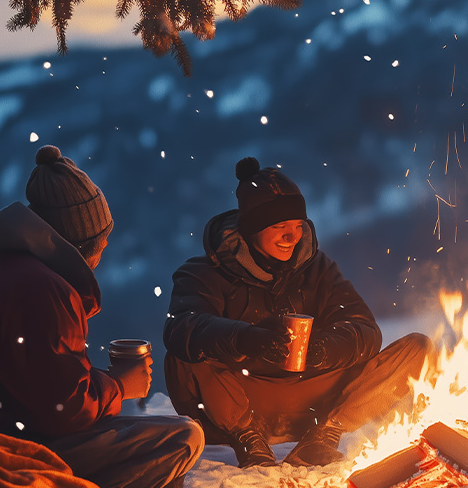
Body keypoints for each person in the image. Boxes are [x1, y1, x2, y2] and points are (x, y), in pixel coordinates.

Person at [0, 145, 203, 488]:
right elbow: (64, 411)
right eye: (104, 240)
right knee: (184, 436)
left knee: (153, 432)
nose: (106, 249)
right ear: (86, 242)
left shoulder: (13, 272)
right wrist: (120, 386)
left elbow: (43, 392)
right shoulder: (41, 288)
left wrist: (104, 386)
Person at [163, 157, 432, 468]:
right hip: (243, 399)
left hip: (315, 400)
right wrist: (245, 339)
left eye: (297, 226)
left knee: (418, 349)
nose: (292, 237)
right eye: (279, 227)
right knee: (183, 353)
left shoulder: (317, 269)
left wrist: (322, 349)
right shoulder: (204, 273)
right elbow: (182, 326)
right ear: (251, 229)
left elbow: (364, 329)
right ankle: (249, 440)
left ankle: (325, 436)